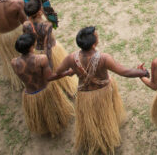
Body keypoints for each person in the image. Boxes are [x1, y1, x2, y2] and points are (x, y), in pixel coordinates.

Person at [53, 26, 148, 155]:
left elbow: (58, 72)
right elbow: (124, 72)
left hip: (84, 97)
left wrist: (71, 71)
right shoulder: (104, 58)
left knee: (91, 120)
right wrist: (142, 72)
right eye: (96, 36)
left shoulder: (71, 58)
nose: (97, 36)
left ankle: (93, 138)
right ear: (93, 44)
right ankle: (106, 138)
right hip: (102, 93)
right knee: (105, 117)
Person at [21, 0, 77, 97]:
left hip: (36, 51)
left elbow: (28, 38)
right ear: (40, 11)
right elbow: (47, 47)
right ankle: (68, 89)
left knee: (46, 75)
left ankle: (63, 88)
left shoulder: (25, 24)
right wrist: (49, 62)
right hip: (51, 51)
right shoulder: (47, 25)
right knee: (56, 70)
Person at [12, 33, 74, 137]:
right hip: (45, 90)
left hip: (30, 94)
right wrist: (67, 73)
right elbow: (49, 77)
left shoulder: (14, 62)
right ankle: (55, 123)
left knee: (40, 114)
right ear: (32, 46)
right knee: (51, 110)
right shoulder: (41, 59)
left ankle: (44, 126)